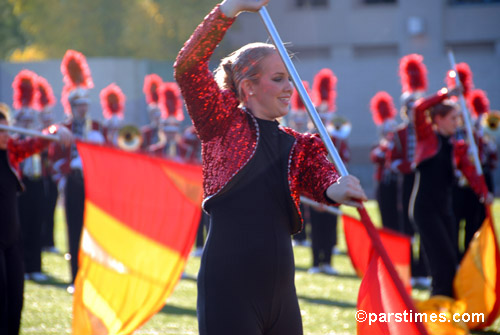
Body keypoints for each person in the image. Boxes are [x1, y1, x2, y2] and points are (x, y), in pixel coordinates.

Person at [174, 1, 367, 334]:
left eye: (289, 79)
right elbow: (188, 66)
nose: (289, 88)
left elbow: (322, 180)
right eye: (278, 79)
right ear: (248, 87)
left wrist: (339, 189)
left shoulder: (297, 144)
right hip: (229, 285)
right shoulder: (220, 124)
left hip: (281, 292)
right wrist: (228, 10)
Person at [409, 87, 492, 298]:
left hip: (444, 209)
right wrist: (447, 93)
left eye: (458, 118)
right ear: (438, 119)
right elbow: (419, 108)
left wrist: (484, 193)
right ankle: (438, 306)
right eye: (453, 118)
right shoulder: (427, 137)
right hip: (425, 209)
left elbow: (472, 173)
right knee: (442, 261)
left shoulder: (457, 146)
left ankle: (447, 305)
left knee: (451, 259)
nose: (458, 122)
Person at [0, 107, 71, 335]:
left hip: (13, 238)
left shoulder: (12, 152)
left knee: (15, 297)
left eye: (6, 129)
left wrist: (56, 129)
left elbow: (37, 143)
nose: (6, 135)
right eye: (1, 131)